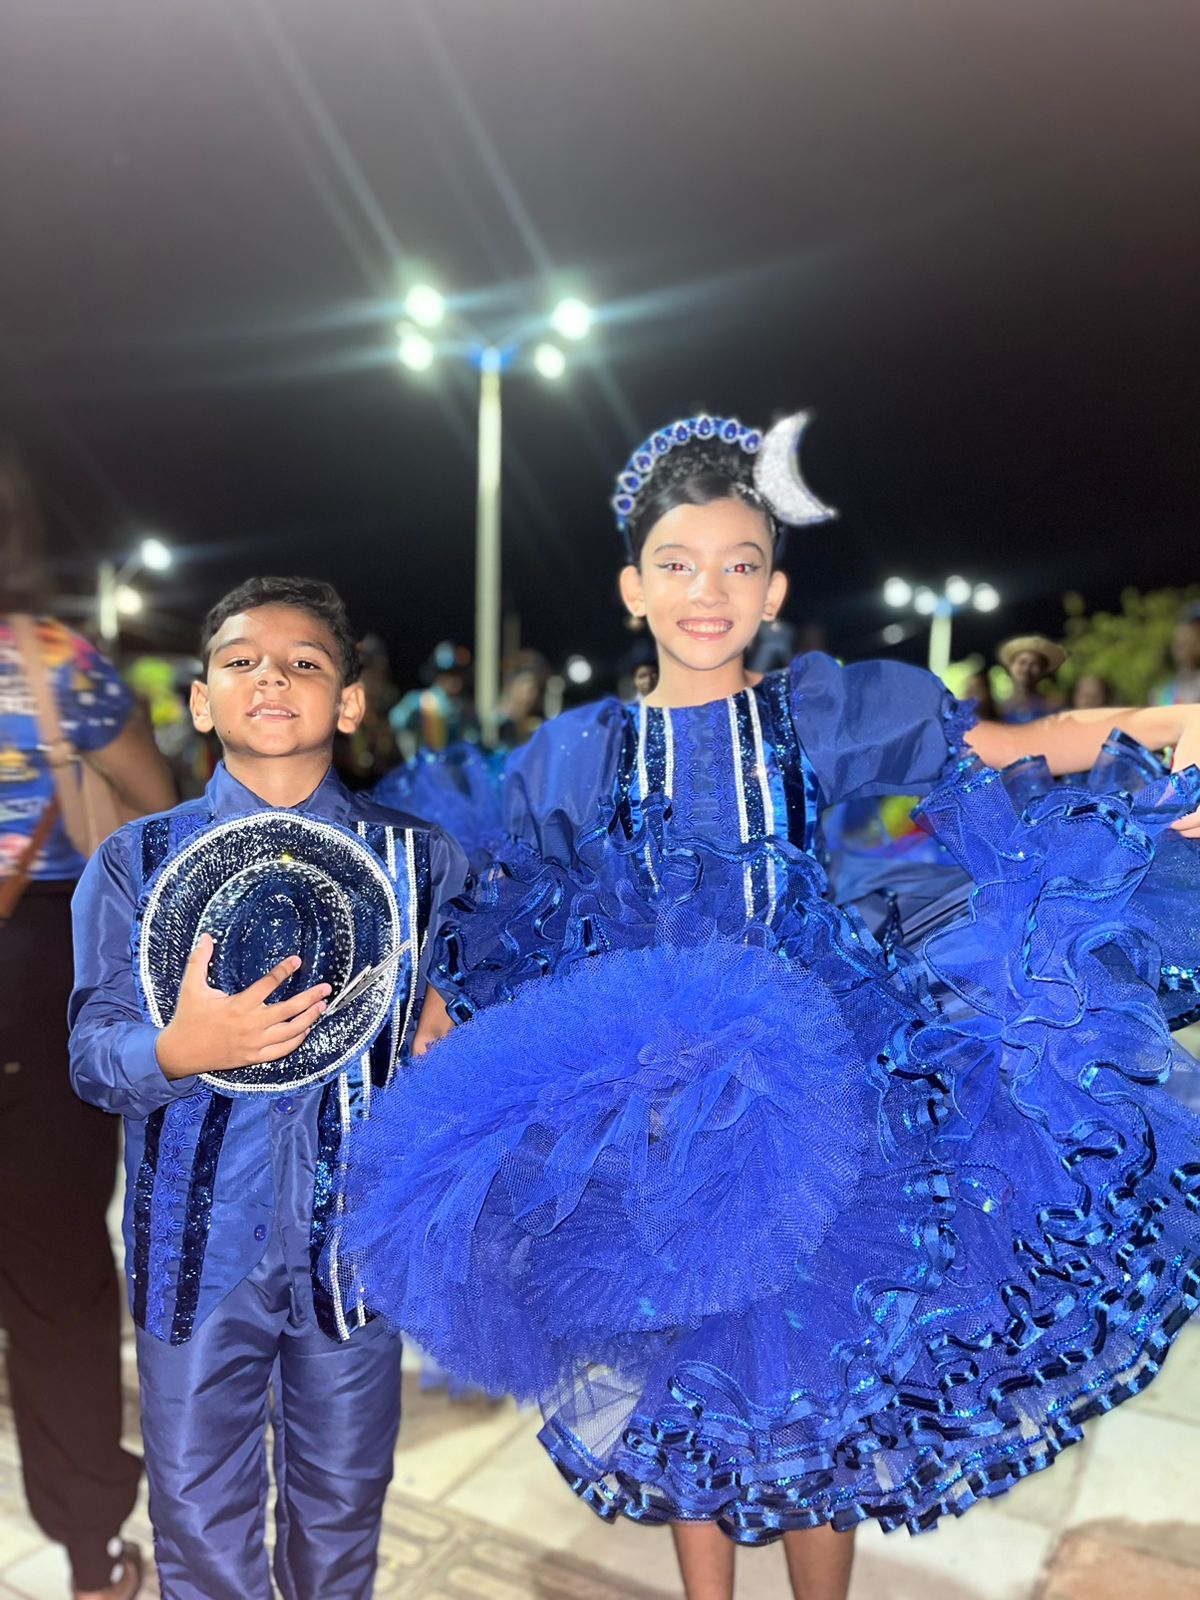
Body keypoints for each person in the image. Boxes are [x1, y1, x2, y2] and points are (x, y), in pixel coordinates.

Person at [339, 412, 1200, 1600]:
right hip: (650, 1115)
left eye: (739, 564)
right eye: (679, 564)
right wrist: (440, 987)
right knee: (678, 1372)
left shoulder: (817, 715)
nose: (710, 591)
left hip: (820, 1097)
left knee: (819, 1381)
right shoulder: (577, 752)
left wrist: (1164, 735)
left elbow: (1018, 741)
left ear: (774, 587)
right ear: (633, 588)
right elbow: (486, 884)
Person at [68, 577, 466, 1600]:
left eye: (304, 662)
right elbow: (92, 1056)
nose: (272, 677)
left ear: (350, 702)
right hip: (191, 1258)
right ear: (201, 701)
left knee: (341, 1515)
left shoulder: (423, 865)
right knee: (199, 1524)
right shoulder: (135, 862)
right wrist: (177, 1048)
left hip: (355, 1255)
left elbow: (477, 1018)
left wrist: (453, 1020)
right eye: (241, 661)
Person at [0, 448, 175, 1600]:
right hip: (34, 967)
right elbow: (157, 806)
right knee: (54, 1272)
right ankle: (91, 1552)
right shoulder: (57, 663)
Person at [995, 633, 1065, 722]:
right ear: (1011, 667)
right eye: (1022, 662)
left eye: (1034, 664)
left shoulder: (1052, 707)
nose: (1026, 669)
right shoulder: (998, 710)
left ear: (1043, 670)